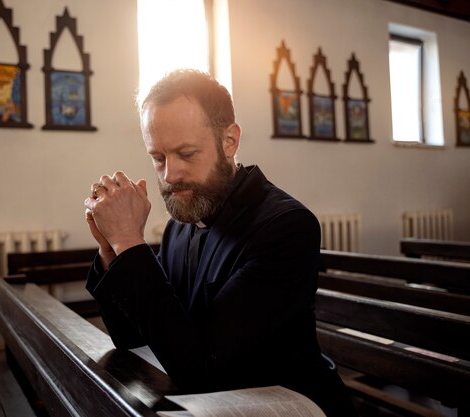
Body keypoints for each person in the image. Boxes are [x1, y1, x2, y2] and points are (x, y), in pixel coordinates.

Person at [83, 69, 357, 416]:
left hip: (289, 399)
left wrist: (130, 242)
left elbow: (202, 368)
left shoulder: (287, 226)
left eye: (186, 153)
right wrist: (113, 250)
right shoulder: (178, 229)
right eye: (158, 158)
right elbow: (133, 337)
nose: (170, 174)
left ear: (230, 141)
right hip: (213, 394)